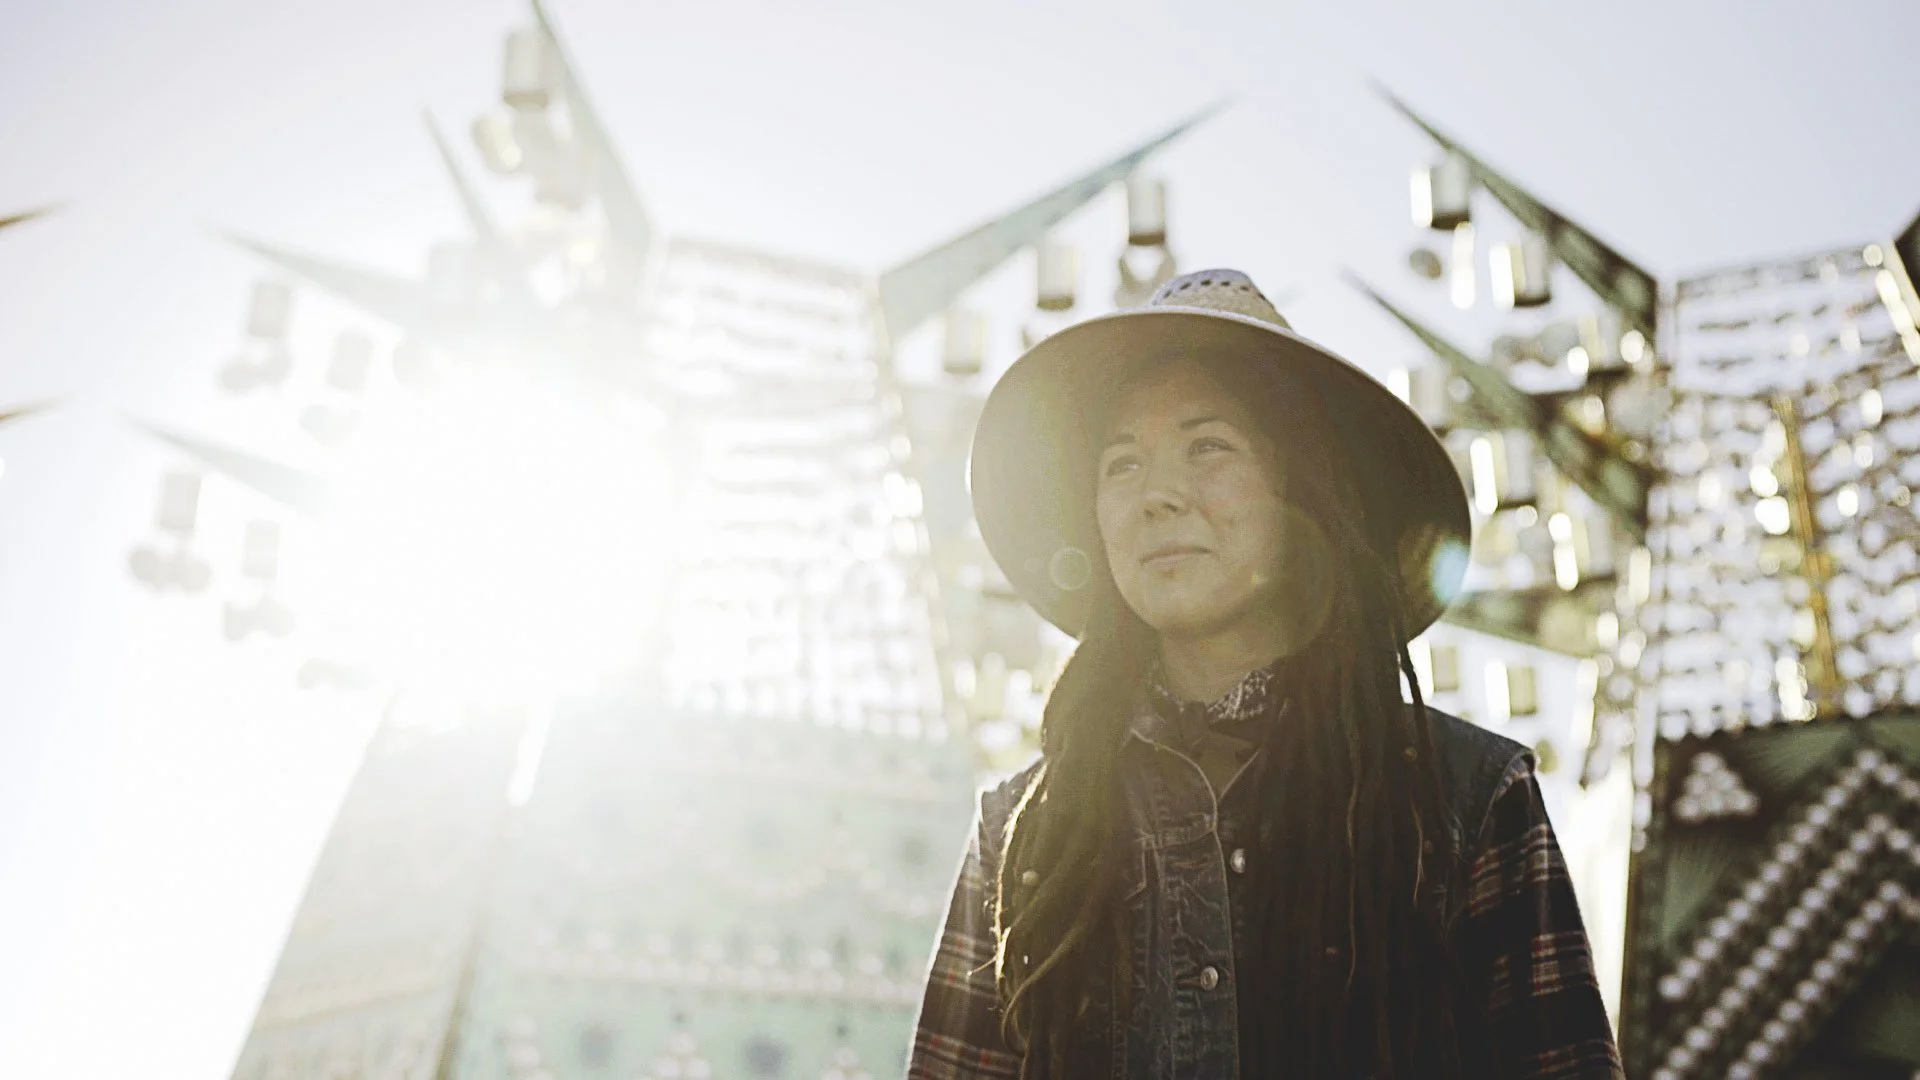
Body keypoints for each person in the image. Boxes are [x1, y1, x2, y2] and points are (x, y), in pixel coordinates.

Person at [906, 270, 1622, 1079]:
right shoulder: (1025, 832)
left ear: (1302, 496)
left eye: (1208, 447)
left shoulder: (1468, 799)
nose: (1158, 496)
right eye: (1121, 465)